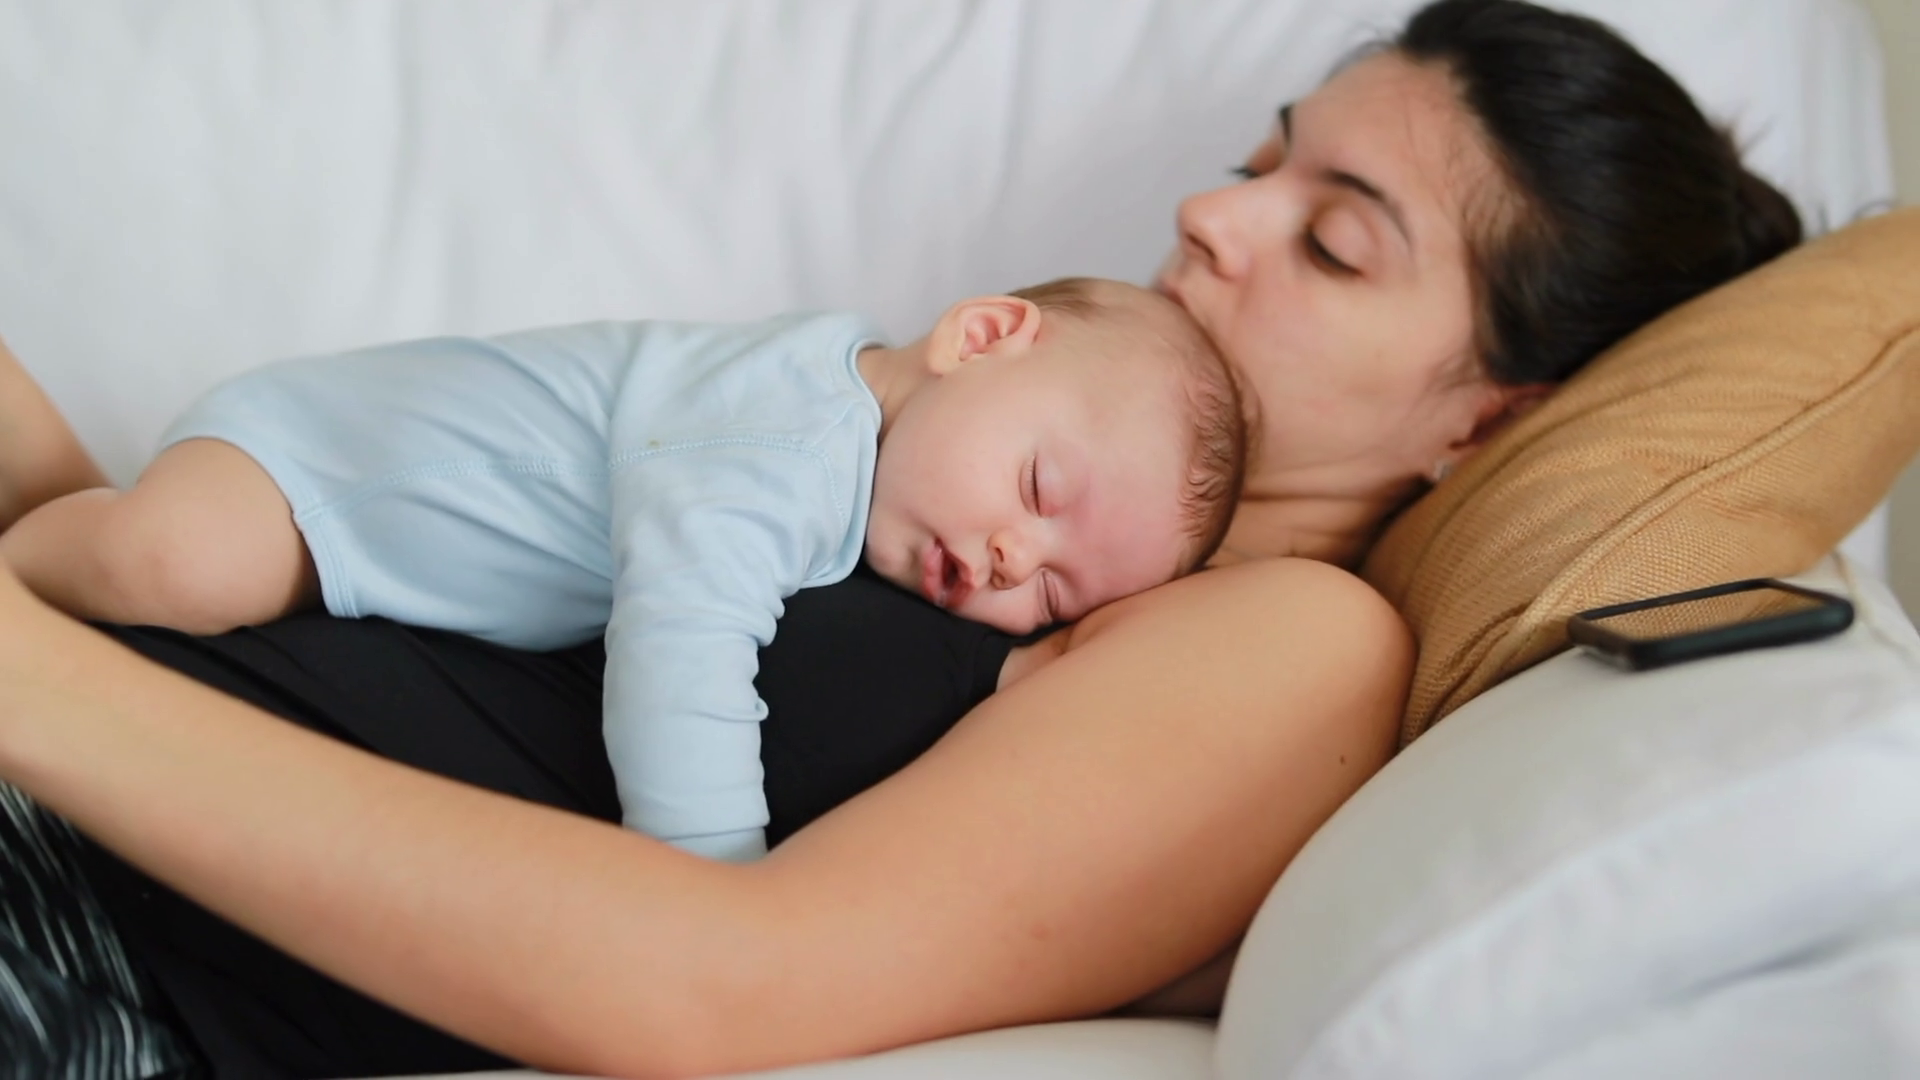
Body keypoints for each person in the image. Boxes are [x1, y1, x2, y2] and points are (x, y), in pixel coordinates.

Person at [0, 1, 1804, 1076]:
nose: (1214, 212)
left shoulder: (1284, 648)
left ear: (1490, 418)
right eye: (1267, 159)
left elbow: (712, 985)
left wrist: (41, 694)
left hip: (106, 937)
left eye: (1338, 241)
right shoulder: (942, 416)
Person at [0, 277, 1244, 863]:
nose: (1009, 562)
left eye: (1057, 590)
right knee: (172, 562)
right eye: (1038, 492)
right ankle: (30, 560)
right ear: (980, 337)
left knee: (163, 576)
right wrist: (712, 871)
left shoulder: (861, 448)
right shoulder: (789, 438)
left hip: (356, 552)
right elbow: (681, 644)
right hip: (317, 475)